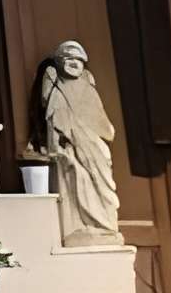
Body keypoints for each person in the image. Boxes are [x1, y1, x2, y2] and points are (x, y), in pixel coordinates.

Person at [35, 39, 122, 247]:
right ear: (59, 62)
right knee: (79, 180)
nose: (74, 63)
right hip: (71, 150)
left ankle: (105, 225)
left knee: (103, 182)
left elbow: (101, 122)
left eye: (78, 59)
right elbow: (55, 120)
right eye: (68, 58)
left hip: (93, 145)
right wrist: (58, 146)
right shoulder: (57, 90)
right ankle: (86, 225)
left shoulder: (88, 88)